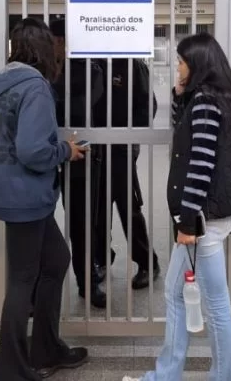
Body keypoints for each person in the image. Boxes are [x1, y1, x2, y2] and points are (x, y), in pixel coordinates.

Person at [124, 32, 231, 381]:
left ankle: (201, 376)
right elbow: (193, 139)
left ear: (197, 65)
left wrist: (186, 222)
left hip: (202, 220)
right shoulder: (216, 99)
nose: (177, 67)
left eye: (181, 62)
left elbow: (200, 164)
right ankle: (178, 375)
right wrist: (180, 97)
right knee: (190, 295)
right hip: (210, 216)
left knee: (207, 301)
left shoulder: (207, 104)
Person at [0, 17, 89, 381]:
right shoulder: (36, 88)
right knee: (22, 280)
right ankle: (13, 370)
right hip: (26, 195)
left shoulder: (1, 83)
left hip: (14, 192)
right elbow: (31, 149)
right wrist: (65, 150)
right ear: (45, 49)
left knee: (57, 260)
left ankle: (46, 348)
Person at [49, 18, 110, 309]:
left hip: (80, 153)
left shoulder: (89, 70)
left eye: (59, 39)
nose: (56, 45)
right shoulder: (42, 72)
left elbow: (91, 108)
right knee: (44, 222)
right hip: (48, 153)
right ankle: (41, 286)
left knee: (82, 222)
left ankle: (87, 282)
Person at [96, 58, 161, 290]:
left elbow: (148, 106)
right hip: (96, 144)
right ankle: (101, 258)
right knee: (97, 206)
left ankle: (147, 263)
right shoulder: (93, 61)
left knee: (127, 206)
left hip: (122, 145)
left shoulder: (133, 65)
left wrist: (130, 136)